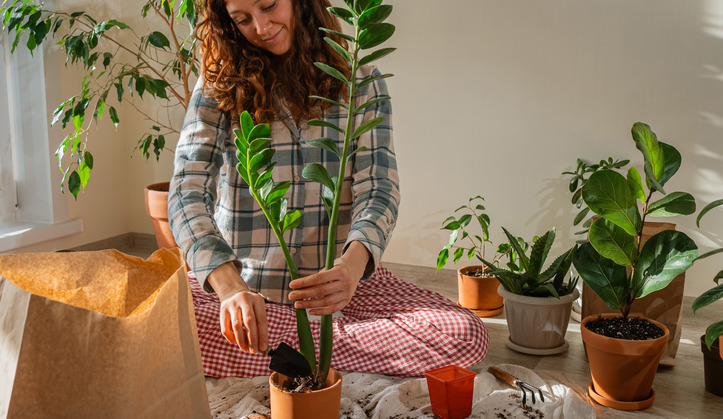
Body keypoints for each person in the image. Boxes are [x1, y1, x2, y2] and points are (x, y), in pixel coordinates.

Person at [168, 0, 489, 378]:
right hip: (249, 293)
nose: (261, 26)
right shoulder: (216, 87)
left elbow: (379, 191)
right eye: (242, 19)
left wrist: (351, 270)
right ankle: (330, 358)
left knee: (465, 335)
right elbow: (186, 192)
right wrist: (228, 288)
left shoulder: (361, 84)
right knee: (163, 327)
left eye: (269, 5)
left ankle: (293, 358)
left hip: (343, 294)